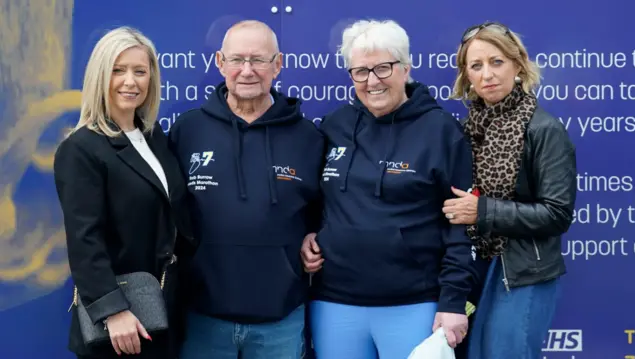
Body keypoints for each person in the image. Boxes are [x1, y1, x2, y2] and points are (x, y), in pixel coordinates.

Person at [300, 19, 479, 359]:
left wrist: (454, 301)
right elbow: (311, 199)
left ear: (406, 68)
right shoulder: (335, 126)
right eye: (360, 71)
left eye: (383, 68)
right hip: (335, 303)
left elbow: (462, 223)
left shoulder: (441, 131)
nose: (372, 81)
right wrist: (308, 234)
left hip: (415, 304)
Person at [168, 20, 324, 359]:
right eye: (237, 59)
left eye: (259, 60)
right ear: (220, 63)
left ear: (278, 65)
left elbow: (325, 212)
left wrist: (316, 236)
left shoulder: (308, 138)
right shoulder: (187, 131)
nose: (247, 70)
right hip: (202, 317)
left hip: (280, 318)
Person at [53, 26, 197, 359]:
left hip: (164, 310)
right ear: (100, 76)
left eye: (139, 71)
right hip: (121, 325)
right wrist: (112, 311)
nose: (130, 81)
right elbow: (84, 238)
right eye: (118, 70)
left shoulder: (153, 136)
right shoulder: (81, 148)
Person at [444, 21, 577, 358]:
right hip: (473, 269)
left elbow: (557, 213)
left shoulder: (543, 129)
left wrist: (482, 211)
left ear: (518, 65)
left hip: (523, 272)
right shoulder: (465, 130)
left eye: (497, 61)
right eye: (476, 65)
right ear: (467, 76)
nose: (487, 74)